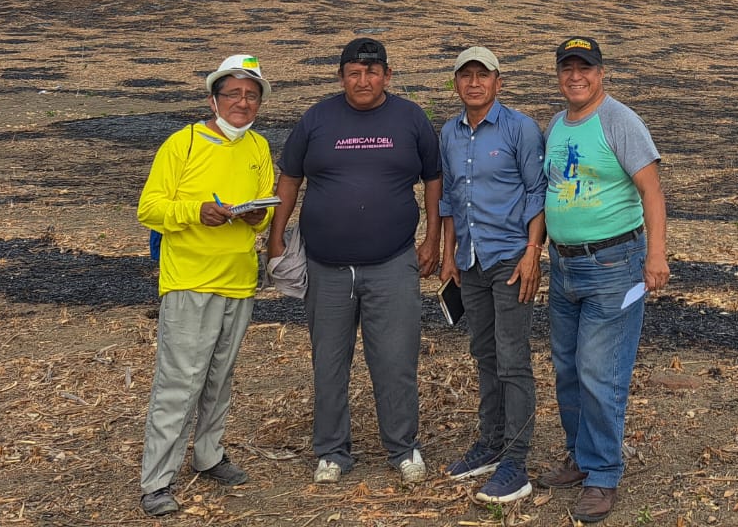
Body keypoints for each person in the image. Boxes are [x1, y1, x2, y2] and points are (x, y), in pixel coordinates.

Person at [268, 37, 442, 485]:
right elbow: (289, 178)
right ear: (341, 77)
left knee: (395, 361)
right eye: (354, 73)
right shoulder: (317, 118)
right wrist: (276, 237)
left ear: (387, 75)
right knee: (329, 363)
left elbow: (434, 179)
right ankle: (331, 451)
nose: (363, 81)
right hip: (325, 267)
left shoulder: (411, 118)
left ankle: (402, 448)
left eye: (372, 72)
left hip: (392, 262)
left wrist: (432, 239)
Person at [535, 37, 668, 525]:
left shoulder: (619, 121)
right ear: (558, 74)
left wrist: (656, 254)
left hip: (614, 264)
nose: (576, 76)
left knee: (600, 371)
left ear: (600, 73)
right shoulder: (556, 124)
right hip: (564, 265)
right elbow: (552, 189)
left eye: (584, 68)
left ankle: (604, 473)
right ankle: (579, 455)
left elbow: (652, 191)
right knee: (568, 368)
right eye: (567, 68)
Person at [136, 54, 277, 517]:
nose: (242, 102)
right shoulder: (183, 143)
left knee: (220, 375)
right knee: (180, 381)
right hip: (190, 280)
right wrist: (196, 211)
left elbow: (267, 210)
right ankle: (157, 481)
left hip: (239, 279)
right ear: (213, 99)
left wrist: (257, 216)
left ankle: (209, 455)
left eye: (251, 95)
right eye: (233, 93)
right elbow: (150, 208)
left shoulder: (258, 146)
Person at [437, 46, 546, 505]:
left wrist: (533, 252)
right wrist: (448, 256)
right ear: (456, 84)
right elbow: (448, 199)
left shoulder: (520, 128)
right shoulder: (449, 132)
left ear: (498, 82)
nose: (474, 83)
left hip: (510, 259)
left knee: (512, 358)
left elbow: (537, 191)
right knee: (484, 353)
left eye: (483, 75)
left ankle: (515, 462)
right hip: (471, 262)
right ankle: (491, 442)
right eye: (466, 76)